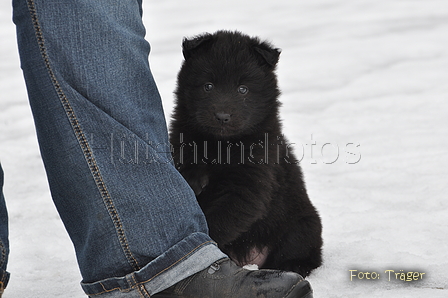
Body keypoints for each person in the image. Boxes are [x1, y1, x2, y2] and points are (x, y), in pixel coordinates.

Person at [1, 0, 313, 297]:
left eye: (243, 89)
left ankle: (171, 264)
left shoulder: (261, 145)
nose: (223, 108)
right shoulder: (189, 131)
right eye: (207, 86)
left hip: (273, 239)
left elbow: (245, 198)